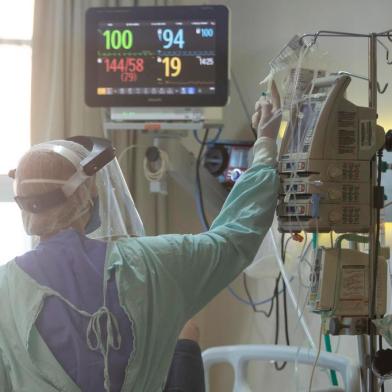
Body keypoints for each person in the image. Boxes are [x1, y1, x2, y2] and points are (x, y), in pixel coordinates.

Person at [0, 87, 281, 392]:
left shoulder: (5, 290)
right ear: (87, 195)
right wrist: (265, 145)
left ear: (26, 206)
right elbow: (235, 239)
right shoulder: (153, 263)